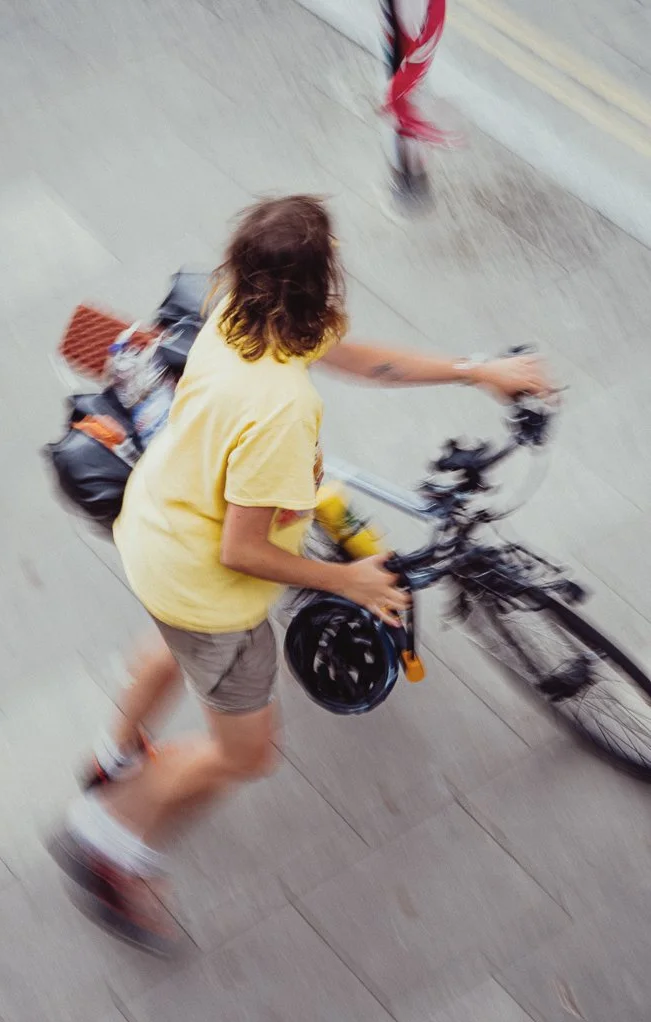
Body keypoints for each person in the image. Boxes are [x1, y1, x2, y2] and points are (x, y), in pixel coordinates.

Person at [49, 194, 550, 952]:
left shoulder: (234, 308)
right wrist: (354, 582)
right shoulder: (280, 412)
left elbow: (363, 361)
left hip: (161, 522)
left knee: (171, 647)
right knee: (243, 753)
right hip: (204, 584)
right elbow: (244, 553)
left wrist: (475, 371)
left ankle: (114, 755)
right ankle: (104, 840)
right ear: (318, 288)